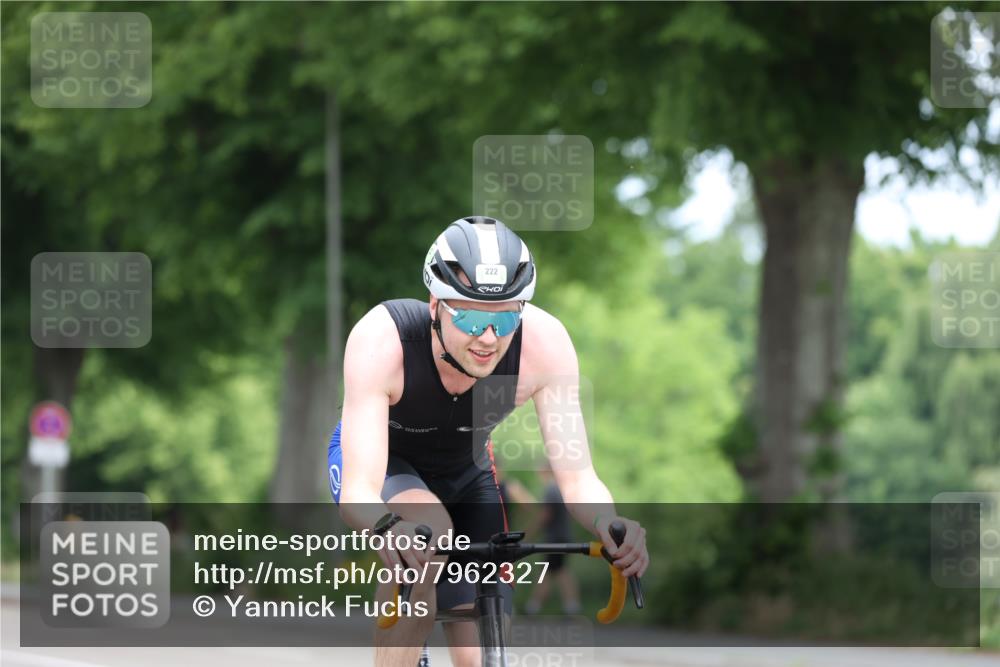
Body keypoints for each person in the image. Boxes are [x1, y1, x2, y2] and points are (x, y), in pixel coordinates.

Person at [328, 216, 649, 667]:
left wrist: (610, 525)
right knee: (429, 534)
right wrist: (387, 528)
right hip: (385, 463)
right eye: (472, 316)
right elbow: (358, 492)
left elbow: (578, 479)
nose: (488, 337)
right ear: (435, 304)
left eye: (506, 318)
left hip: (466, 471)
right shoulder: (385, 340)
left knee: (482, 646)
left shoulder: (544, 345)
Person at [524, 464, 581, 615]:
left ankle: (534, 606)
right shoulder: (562, 489)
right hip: (563, 537)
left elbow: (545, 516)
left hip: (555, 539)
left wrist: (527, 534)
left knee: (554, 571)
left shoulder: (551, 489)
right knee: (556, 571)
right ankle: (568, 606)